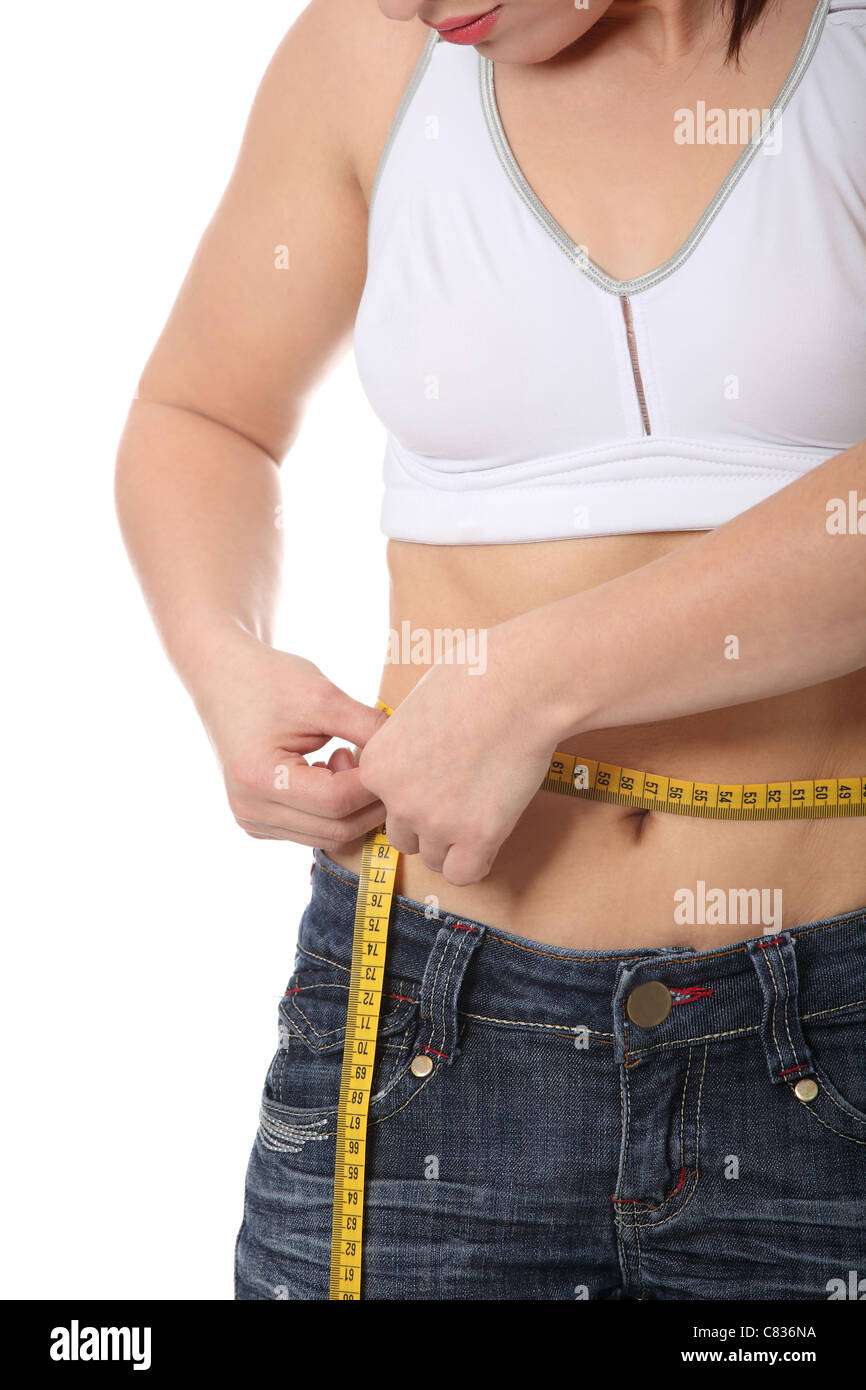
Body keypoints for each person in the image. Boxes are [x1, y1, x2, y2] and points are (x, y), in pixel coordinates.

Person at [116, 0, 866, 1300]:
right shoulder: (365, 56)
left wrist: (535, 680)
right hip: (427, 1015)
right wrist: (219, 649)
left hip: (835, 1029)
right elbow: (201, 411)